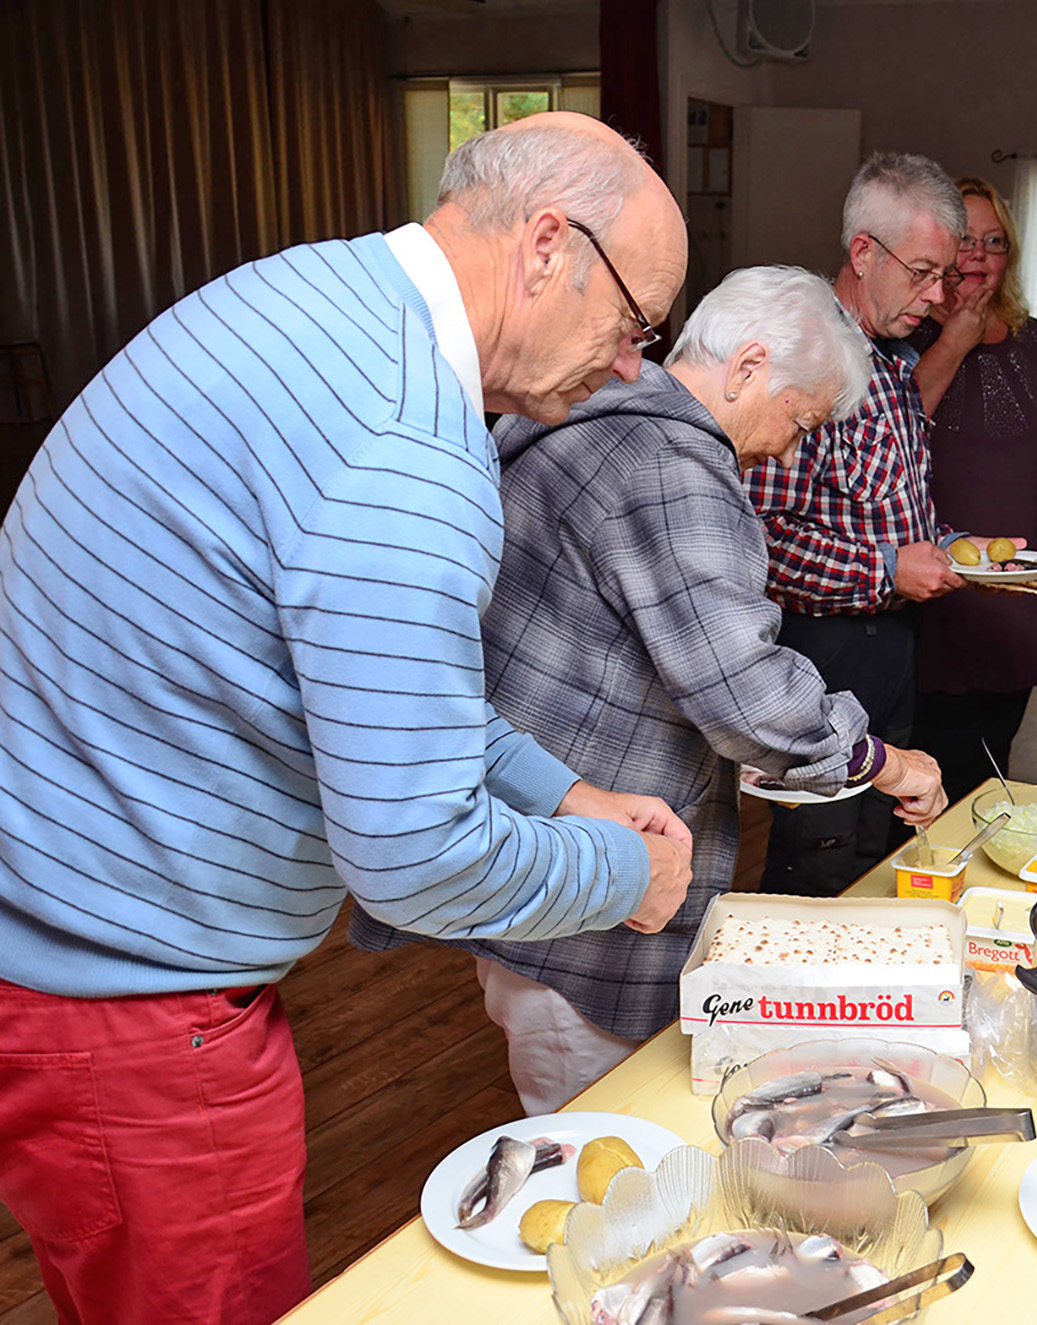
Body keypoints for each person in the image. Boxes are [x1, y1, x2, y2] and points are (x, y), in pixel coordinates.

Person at [0, 113, 695, 1324]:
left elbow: (365, 684)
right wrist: (622, 870)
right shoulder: (403, 447)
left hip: (70, 957)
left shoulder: (327, 298)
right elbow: (414, 860)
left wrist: (560, 794)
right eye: (636, 322)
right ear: (546, 248)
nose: (632, 365)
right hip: (130, 1010)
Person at [351, 267, 949, 1112]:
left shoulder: (589, 408)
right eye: (799, 419)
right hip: (586, 880)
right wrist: (884, 761)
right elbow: (751, 695)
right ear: (746, 366)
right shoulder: (672, 466)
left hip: (538, 825)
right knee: (600, 1127)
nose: (787, 449)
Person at [747, 153, 971, 896]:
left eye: (945, 277)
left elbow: (890, 508)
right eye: (923, 273)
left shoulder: (894, 362)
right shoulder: (808, 360)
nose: (937, 296)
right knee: (823, 862)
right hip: (824, 652)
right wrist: (884, 569)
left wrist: (937, 550)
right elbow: (763, 542)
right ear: (864, 253)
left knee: (881, 854)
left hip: (895, 644)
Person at [903, 177, 1037, 801]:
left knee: (996, 753)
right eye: (964, 240)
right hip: (941, 582)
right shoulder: (903, 336)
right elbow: (902, 421)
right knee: (940, 754)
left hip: (1023, 579)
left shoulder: (1033, 339)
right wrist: (956, 338)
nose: (978, 255)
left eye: (994, 241)